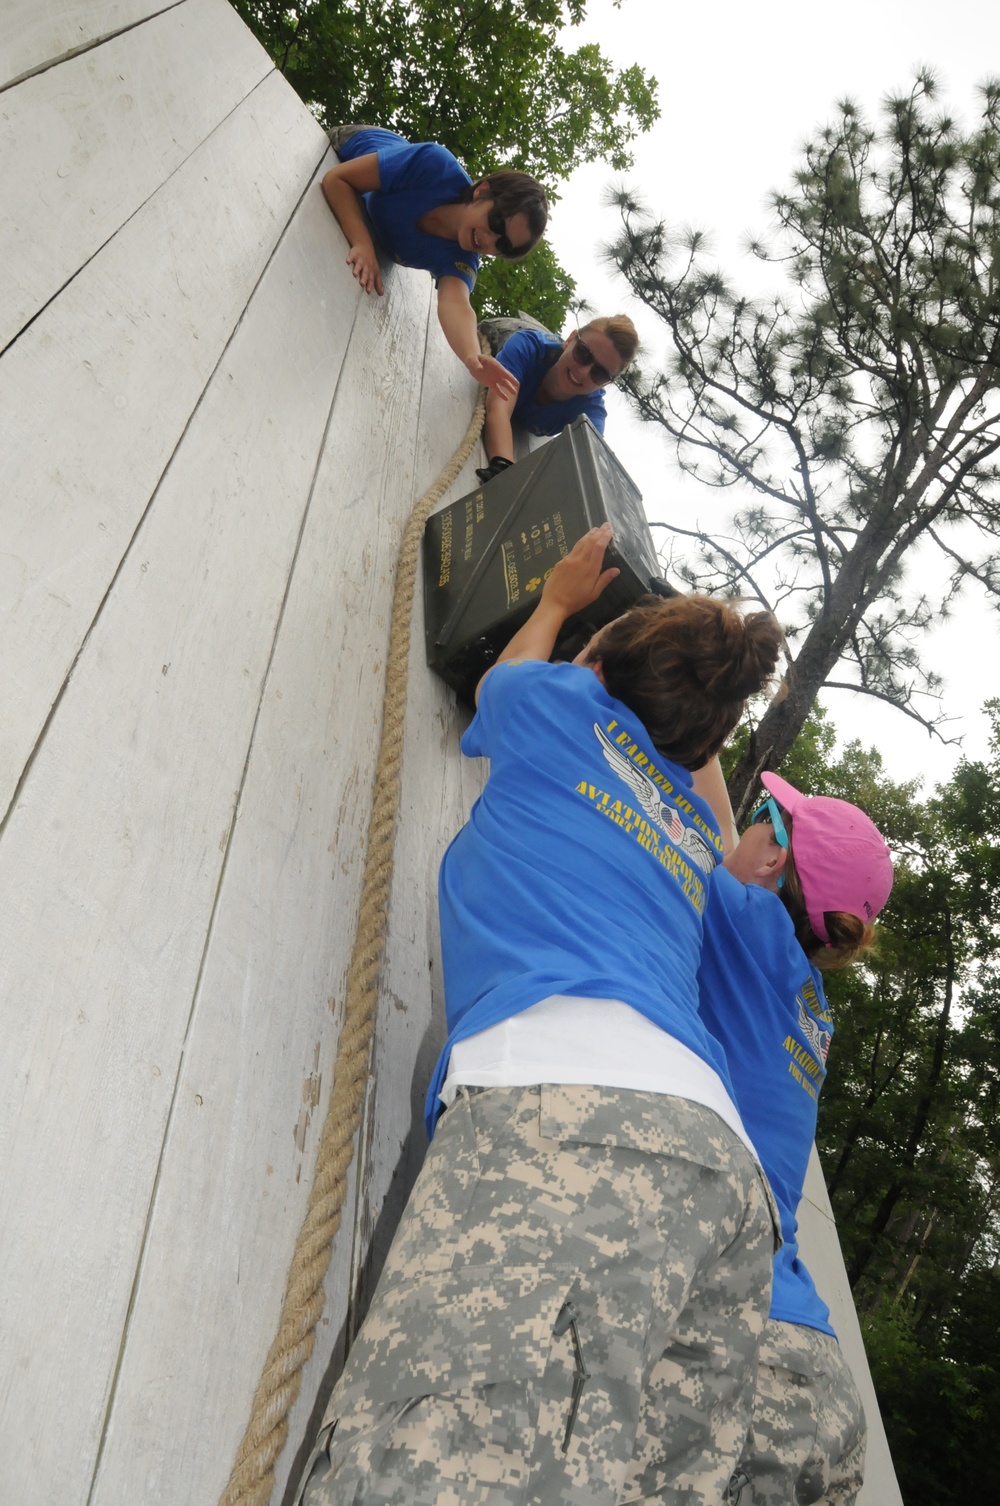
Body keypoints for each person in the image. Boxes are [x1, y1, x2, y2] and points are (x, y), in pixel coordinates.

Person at [298, 525, 786, 1506]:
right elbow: (699, 781)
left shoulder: (559, 705)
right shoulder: (692, 828)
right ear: (701, 745)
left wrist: (561, 600)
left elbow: (498, 683)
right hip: (723, 1181)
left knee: (423, 1469)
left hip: (568, 1111)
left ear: (598, 667)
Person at [690, 763, 894, 1505]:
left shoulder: (741, 923)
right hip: (821, 1374)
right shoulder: (812, 1010)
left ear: (774, 856)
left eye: (761, 818)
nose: (740, 823)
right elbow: (734, 840)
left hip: (744, 1348)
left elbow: (703, 832)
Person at [322, 127, 548, 399]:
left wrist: (472, 357)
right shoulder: (434, 166)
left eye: (503, 245)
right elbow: (337, 179)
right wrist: (362, 242)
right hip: (350, 145)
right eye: (497, 222)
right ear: (482, 192)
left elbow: (456, 303)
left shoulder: (461, 259)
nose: (490, 239)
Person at [475, 315, 640, 484]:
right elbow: (498, 406)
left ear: (606, 383)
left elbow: (591, 464)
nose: (583, 372)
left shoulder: (591, 413)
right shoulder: (527, 346)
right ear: (570, 339)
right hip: (503, 333)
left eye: (600, 373)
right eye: (583, 353)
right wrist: (503, 468)